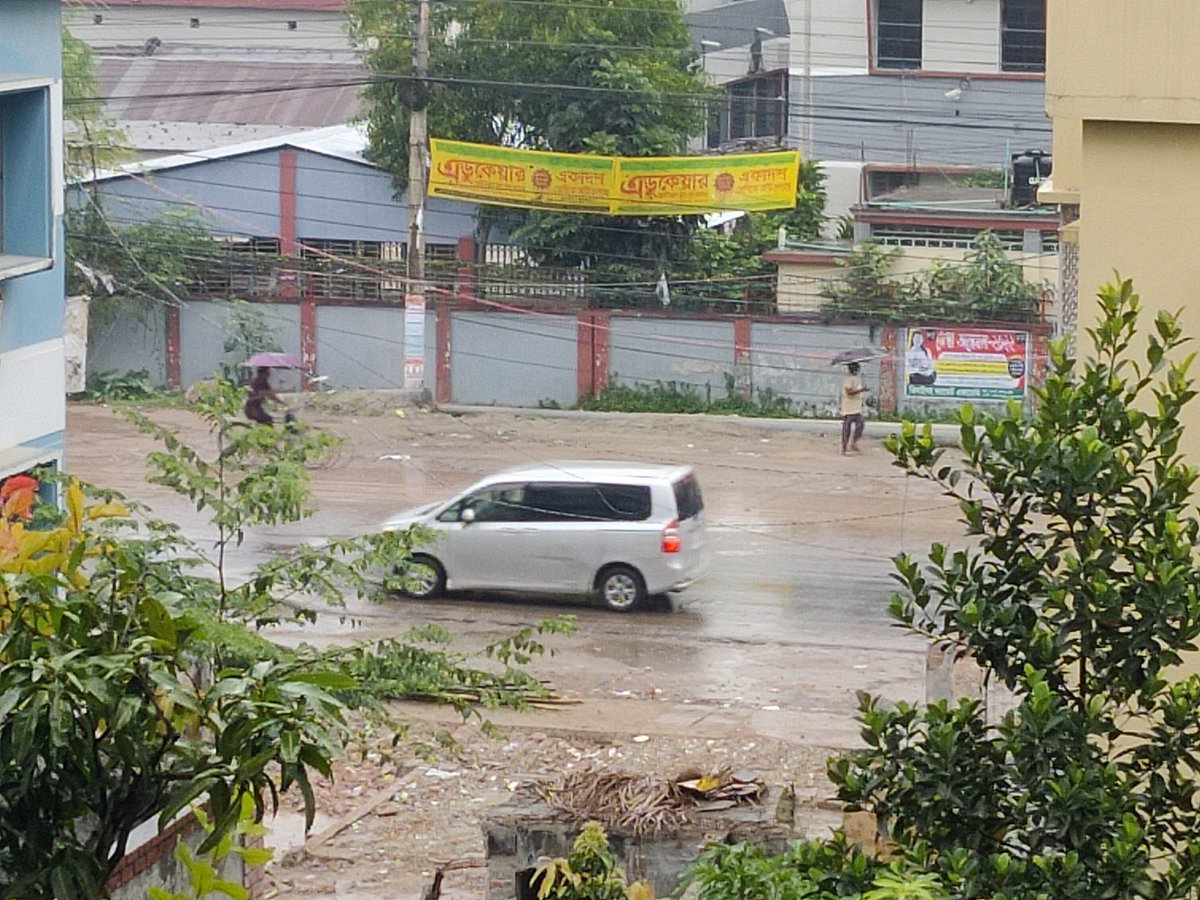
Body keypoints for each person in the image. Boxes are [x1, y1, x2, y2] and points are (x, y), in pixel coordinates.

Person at [841, 362, 867, 455]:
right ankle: (844, 447)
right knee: (847, 428)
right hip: (849, 407)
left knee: (860, 425)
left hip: (856, 406)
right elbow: (849, 392)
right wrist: (861, 390)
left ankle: (853, 443)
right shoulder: (848, 379)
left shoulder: (857, 379)